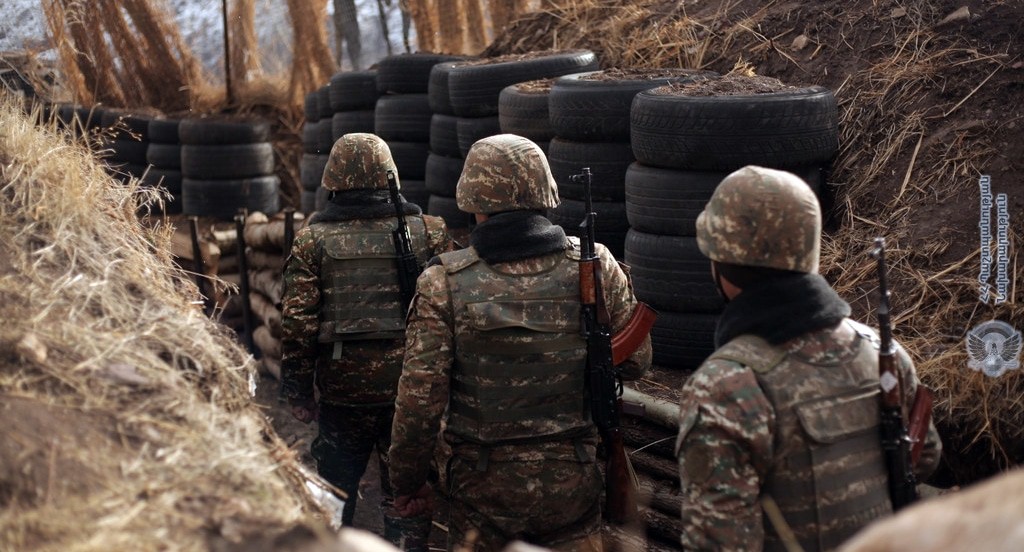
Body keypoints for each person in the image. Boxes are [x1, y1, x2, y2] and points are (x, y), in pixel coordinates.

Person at [387, 134, 652, 551]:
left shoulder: (442, 282)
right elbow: (637, 362)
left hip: (481, 492)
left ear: (472, 199)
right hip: (573, 484)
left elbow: (419, 401)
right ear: (546, 194)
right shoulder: (595, 263)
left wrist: (407, 481)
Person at [675, 165, 942, 551]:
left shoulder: (725, 386)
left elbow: (719, 543)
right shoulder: (882, 352)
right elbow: (926, 456)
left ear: (720, 263)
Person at [280, 133, 454, 550]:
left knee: (334, 492)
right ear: (390, 174)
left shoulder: (312, 240)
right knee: (407, 494)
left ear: (333, 178)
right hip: (412, 391)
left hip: (344, 394)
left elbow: (298, 324)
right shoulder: (429, 231)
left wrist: (298, 391)